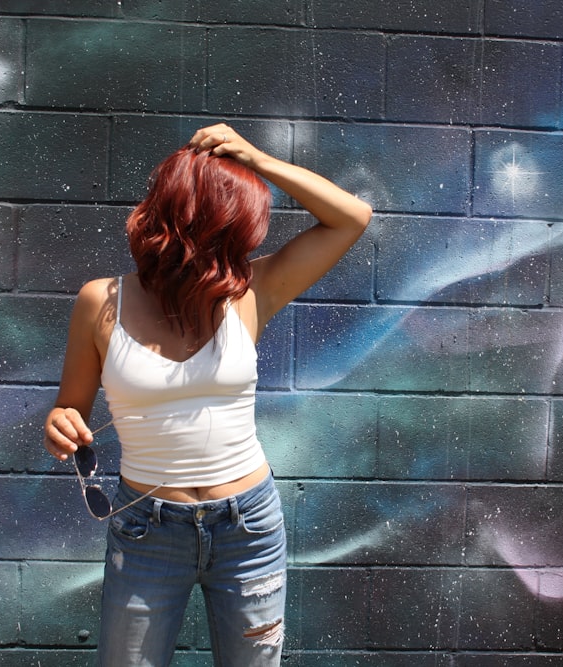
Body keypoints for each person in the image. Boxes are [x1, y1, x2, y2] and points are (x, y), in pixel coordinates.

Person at [42, 123, 372, 666]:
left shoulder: (250, 291)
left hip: (248, 526)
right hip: (147, 528)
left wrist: (258, 160)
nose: (249, 245)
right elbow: (70, 406)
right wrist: (62, 423)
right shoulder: (101, 301)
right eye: (238, 231)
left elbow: (351, 218)